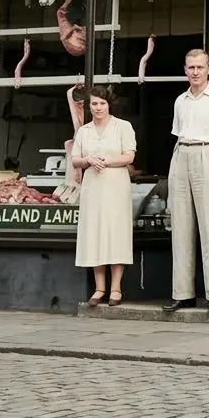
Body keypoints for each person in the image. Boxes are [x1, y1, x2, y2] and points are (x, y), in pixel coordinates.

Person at [164, 48, 209, 314]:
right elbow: (177, 134)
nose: (195, 72)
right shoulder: (180, 101)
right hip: (182, 152)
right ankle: (183, 294)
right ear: (185, 70)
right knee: (181, 226)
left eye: (200, 67)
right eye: (190, 68)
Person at [71, 86, 137, 306]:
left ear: (109, 105)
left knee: (116, 232)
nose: (98, 108)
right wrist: (89, 160)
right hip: (93, 186)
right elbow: (75, 160)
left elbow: (129, 156)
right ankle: (99, 287)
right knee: (95, 233)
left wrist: (106, 161)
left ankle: (116, 287)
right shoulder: (84, 131)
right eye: (94, 104)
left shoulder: (122, 127)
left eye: (102, 103)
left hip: (115, 185)